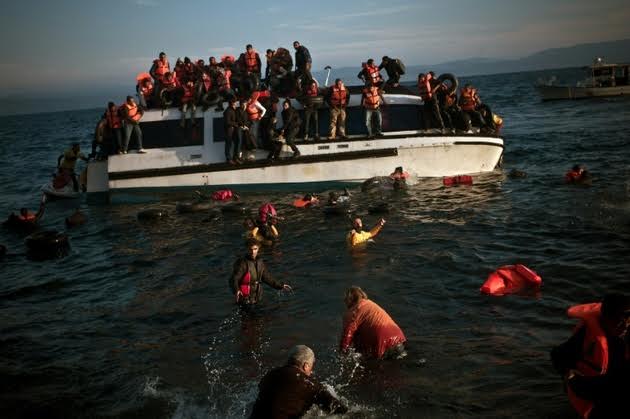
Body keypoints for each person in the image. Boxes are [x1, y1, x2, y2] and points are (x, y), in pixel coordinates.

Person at [551, 294, 630, 419]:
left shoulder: (626, 336)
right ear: (605, 317)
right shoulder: (587, 335)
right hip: (593, 390)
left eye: (628, 319)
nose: (625, 325)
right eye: (619, 320)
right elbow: (559, 355)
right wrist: (569, 375)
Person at [250, 345, 348, 418]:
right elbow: (337, 408)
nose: (311, 372)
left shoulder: (270, 375)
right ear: (306, 365)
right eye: (311, 366)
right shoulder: (307, 383)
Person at [340, 286, 407, 359]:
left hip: (383, 342)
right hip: (398, 337)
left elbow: (347, 335)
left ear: (348, 300)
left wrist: (342, 353)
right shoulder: (371, 304)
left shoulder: (353, 312)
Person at [229, 238, 291, 305]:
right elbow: (234, 278)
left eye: (255, 249)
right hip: (244, 299)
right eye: (251, 249)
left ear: (258, 249)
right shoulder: (242, 263)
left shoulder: (260, 262)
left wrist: (280, 285)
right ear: (247, 249)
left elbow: (266, 278)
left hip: (257, 297)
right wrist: (237, 290)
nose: (253, 252)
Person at [223, 99, 241, 164]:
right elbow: (227, 122)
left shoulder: (233, 110)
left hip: (233, 130)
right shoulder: (227, 111)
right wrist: (236, 124)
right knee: (228, 144)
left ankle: (235, 157)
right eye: (236, 103)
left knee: (237, 143)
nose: (237, 104)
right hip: (229, 131)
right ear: (232, 103)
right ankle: (228, 159)